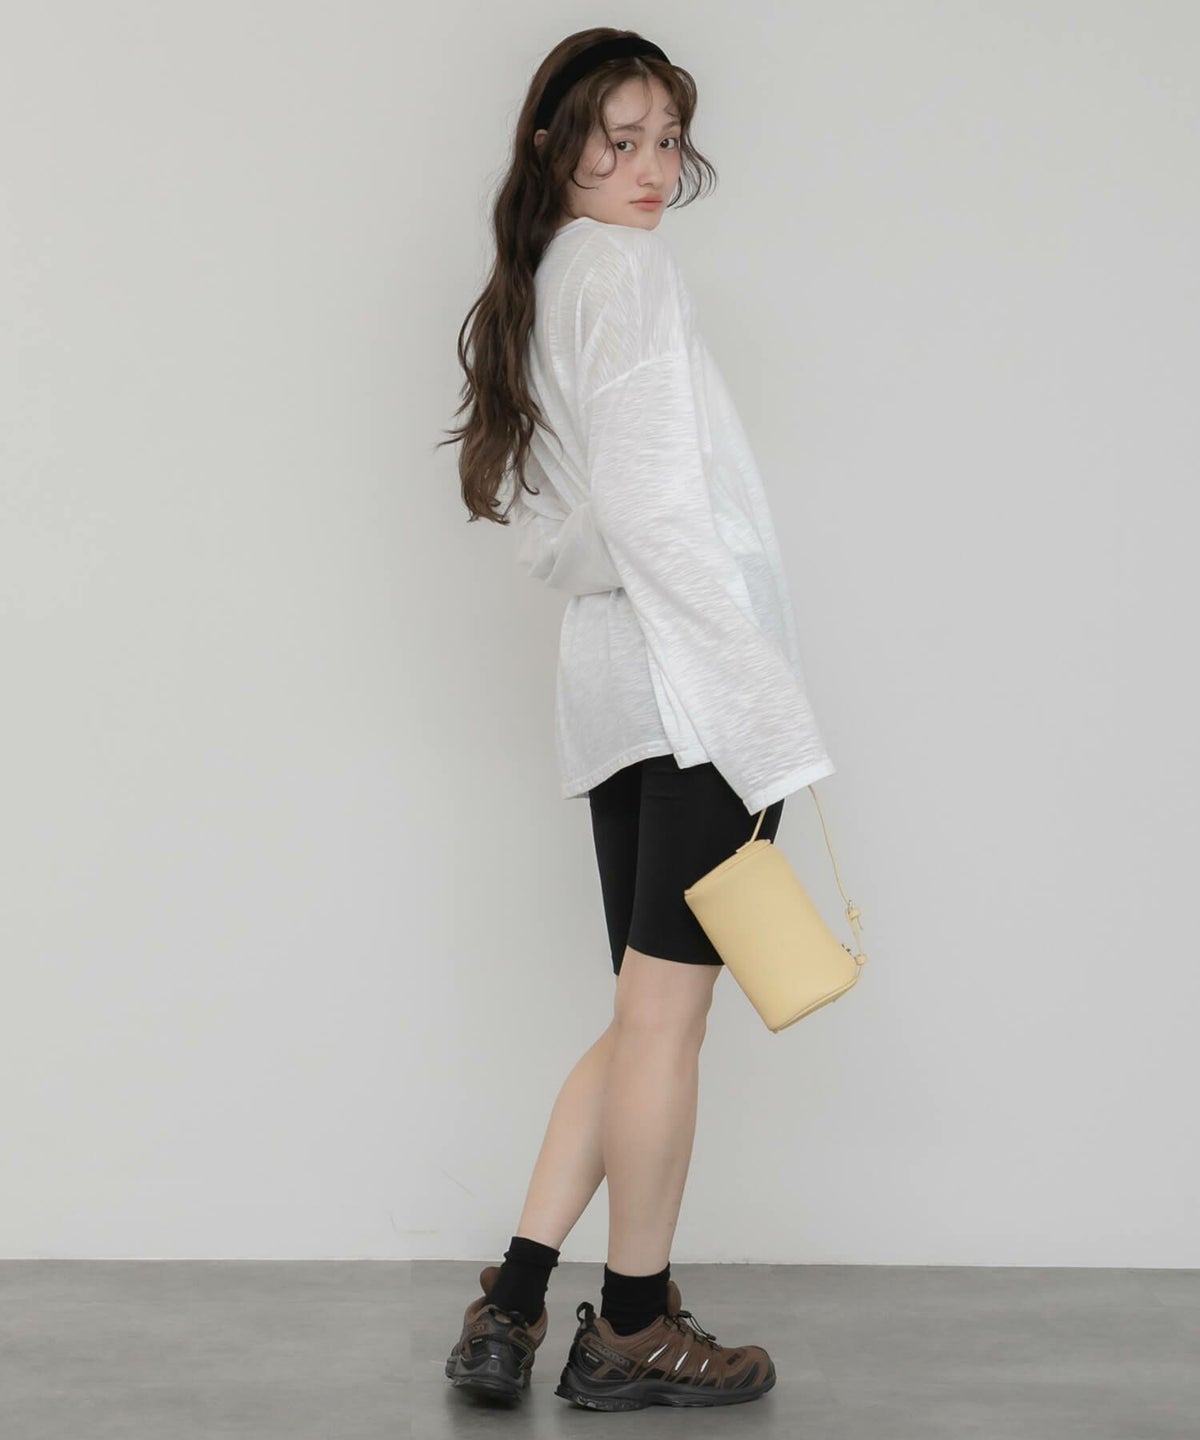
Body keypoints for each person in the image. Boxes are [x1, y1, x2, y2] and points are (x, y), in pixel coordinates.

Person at [437, 27, 836, 1411]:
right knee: (668, 1025)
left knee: (638, 1016)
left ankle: (512, 1301)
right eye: (621, 141)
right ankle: (629, 1329)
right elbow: (661, 516)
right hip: (691, 695)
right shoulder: (625, 273)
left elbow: (557, 535)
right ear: (560, 148)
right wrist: (760, 704)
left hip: (615, 696)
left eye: (667, 140)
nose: (652, 168)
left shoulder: (542, 284)